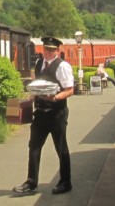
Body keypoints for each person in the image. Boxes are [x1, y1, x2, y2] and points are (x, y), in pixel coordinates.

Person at [13, 37, 76, 196]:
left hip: (57, 113)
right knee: (34, 146)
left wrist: (55, 97)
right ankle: (31, 182)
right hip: (40, 112)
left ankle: (65, 182)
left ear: (58, 51)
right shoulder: (39, 63)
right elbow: (37, 85)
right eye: (45, 50)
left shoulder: (63, 66)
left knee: (61, 147)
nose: (47, 53)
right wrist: (30, 98)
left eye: (51, 50)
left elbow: (70, 90)